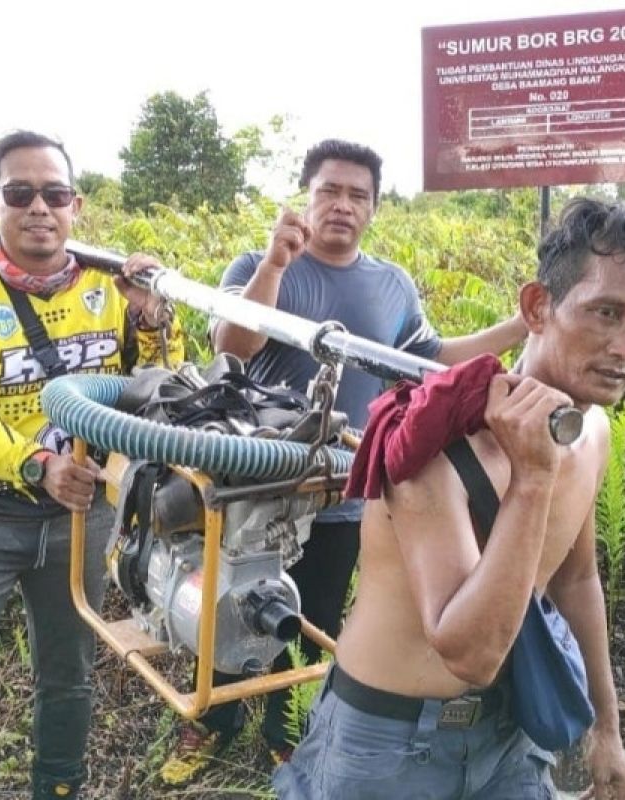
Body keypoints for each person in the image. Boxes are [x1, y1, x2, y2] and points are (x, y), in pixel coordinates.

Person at [274, 198, 625, 799]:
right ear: (537, 307)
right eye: (606, 312)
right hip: (390, 744)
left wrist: (606, 729)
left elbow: (575, 579)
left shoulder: (590, 429)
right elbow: (468, 653)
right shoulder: (431, 447)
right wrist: (534, 479)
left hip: (511, 736)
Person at [159, 138, 529, 785]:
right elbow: (231, 345)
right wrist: (275, 262)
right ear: (306, 197)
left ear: (374, 209)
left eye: (358, 195)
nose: (342, 204)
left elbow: (433, 357)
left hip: (343, 493)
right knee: (228, 609)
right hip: (255, 489)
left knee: (310, 617)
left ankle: (285, 732)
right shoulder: (261, 265)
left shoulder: (390, 285)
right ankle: (211, 726)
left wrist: (523, 326)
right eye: (329, 190)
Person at [0, 130, 183, 800]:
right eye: (20, 193)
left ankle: (59, 789)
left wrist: (153, 318)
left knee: (68, 673)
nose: (38, 208)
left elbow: (160, 388)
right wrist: (37, 464)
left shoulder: (111, 283)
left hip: (82, 517)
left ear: (76, 204)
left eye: (54, 193)